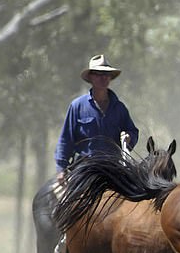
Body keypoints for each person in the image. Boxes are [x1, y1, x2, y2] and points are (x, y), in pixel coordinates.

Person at [55, 54, 139, 183]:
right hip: (84, 171)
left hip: (114, 170)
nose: (104, 77)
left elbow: (133, 131)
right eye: (99, 73)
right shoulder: (77, 106)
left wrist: (129, 137)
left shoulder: (119, 108)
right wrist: (61, 169)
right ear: (91, 77)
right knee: (72, 201)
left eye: (107, 74)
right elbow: (66, 139)